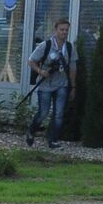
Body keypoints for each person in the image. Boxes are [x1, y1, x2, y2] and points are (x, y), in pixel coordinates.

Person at [27, 19, 75, 149]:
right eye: (62, 29)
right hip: (46, 84)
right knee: (43, 112)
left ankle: (52, 140)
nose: (64, 32)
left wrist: (73, 87)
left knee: (59, 113)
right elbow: (31, 61)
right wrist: (40, 71)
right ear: (55, 30)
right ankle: (31, 130)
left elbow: (72, 68)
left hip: (62, 84)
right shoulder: (46, 45)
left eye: (66, 30)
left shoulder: (69, 47)